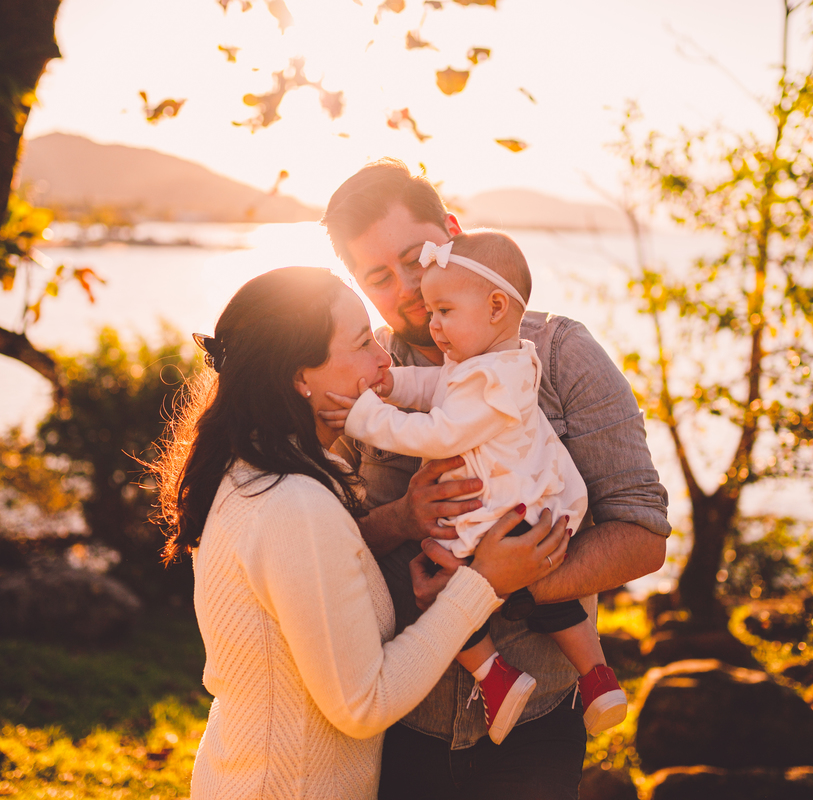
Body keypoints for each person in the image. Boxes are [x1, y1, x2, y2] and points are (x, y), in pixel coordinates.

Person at [322, 159, 671, 800]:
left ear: (453, 231)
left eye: (414, 257)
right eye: (378, 276)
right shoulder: (359, 373)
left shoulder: (560, 355)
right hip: (397, 721)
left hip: (538, 733)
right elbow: (317, 545)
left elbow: (645, 534)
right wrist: (399, 519)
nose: (405, 289)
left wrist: (512, 580)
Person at [152, 266, 570, 800]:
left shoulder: (256, 474)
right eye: (360, 343)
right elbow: (363, 703)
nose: (384, 357)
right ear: (298, 378)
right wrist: (482, 583)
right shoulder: (292, 504)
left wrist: (402, 522)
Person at [324, 230, 628, 746]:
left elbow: (437, 431)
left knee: (442, 589)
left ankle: (496, 676)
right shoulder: (487, 362)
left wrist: (364, 415)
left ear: (494, 307)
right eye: (432, 312)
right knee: (548, 607)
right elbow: (436, 388)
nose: (432, 323)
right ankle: (595, 675)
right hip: (513, 504)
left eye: (443, 311)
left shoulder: (499, 380)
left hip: (499, 512)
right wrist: (394, 384)